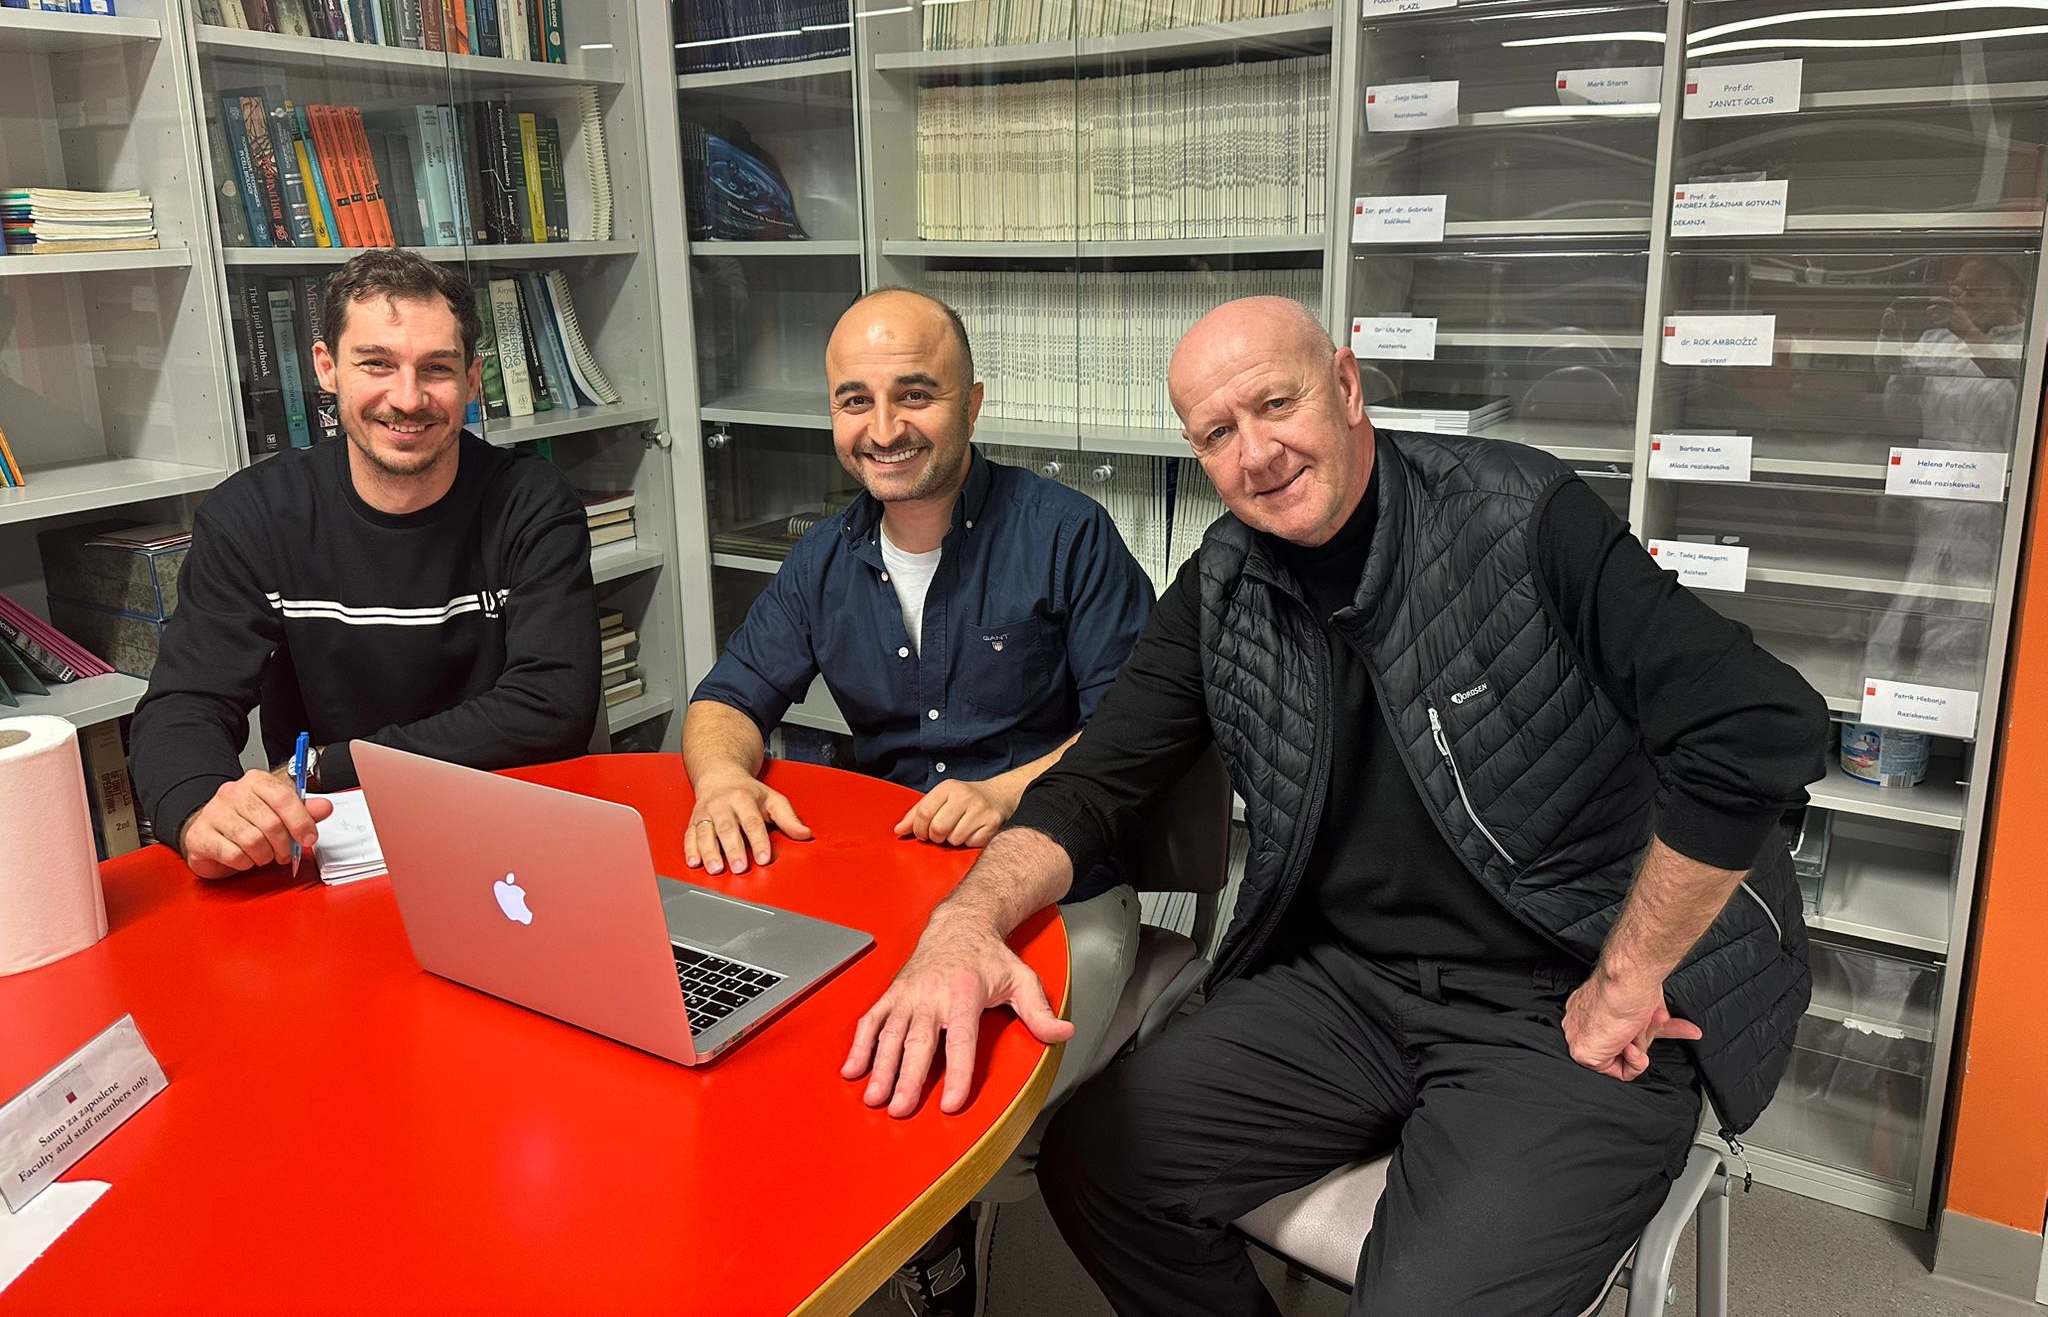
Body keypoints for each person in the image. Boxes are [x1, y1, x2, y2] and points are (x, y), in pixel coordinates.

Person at [845, 296, 1830, 1316]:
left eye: (1276, 404)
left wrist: (1627, 978)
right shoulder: (1221, 583)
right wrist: (965, 923)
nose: (1256, 453)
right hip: (1346, 985)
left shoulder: (1515, 514)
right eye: (1217, 433)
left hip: (1563, 1004)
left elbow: (1756, 728)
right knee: (1097, 1166)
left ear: (1347, 387)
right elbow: (1098, 780)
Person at [685, 287, 1154, 1315]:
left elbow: (1137, 728)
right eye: (855, 400)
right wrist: (721, 776)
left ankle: (941, 1268)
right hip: (890, 885)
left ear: (971, 402)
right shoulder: (823, 557)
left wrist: (1008, 791)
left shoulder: (1066, 534)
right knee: (773, 1055)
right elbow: (724, 699)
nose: (884, 427)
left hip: (1060, 892)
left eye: (915, 394)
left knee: (949, 1097)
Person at [131, 249, 600, 877]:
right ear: (326, 368)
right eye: (376, 364)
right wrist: (197, 812)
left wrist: (329, 762)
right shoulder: (253, 515)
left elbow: (552, 706)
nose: (407, 399)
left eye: (436, 368)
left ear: (471, 380)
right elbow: (186, 700)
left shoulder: (532, 502)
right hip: (333, 842)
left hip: (507, 830)